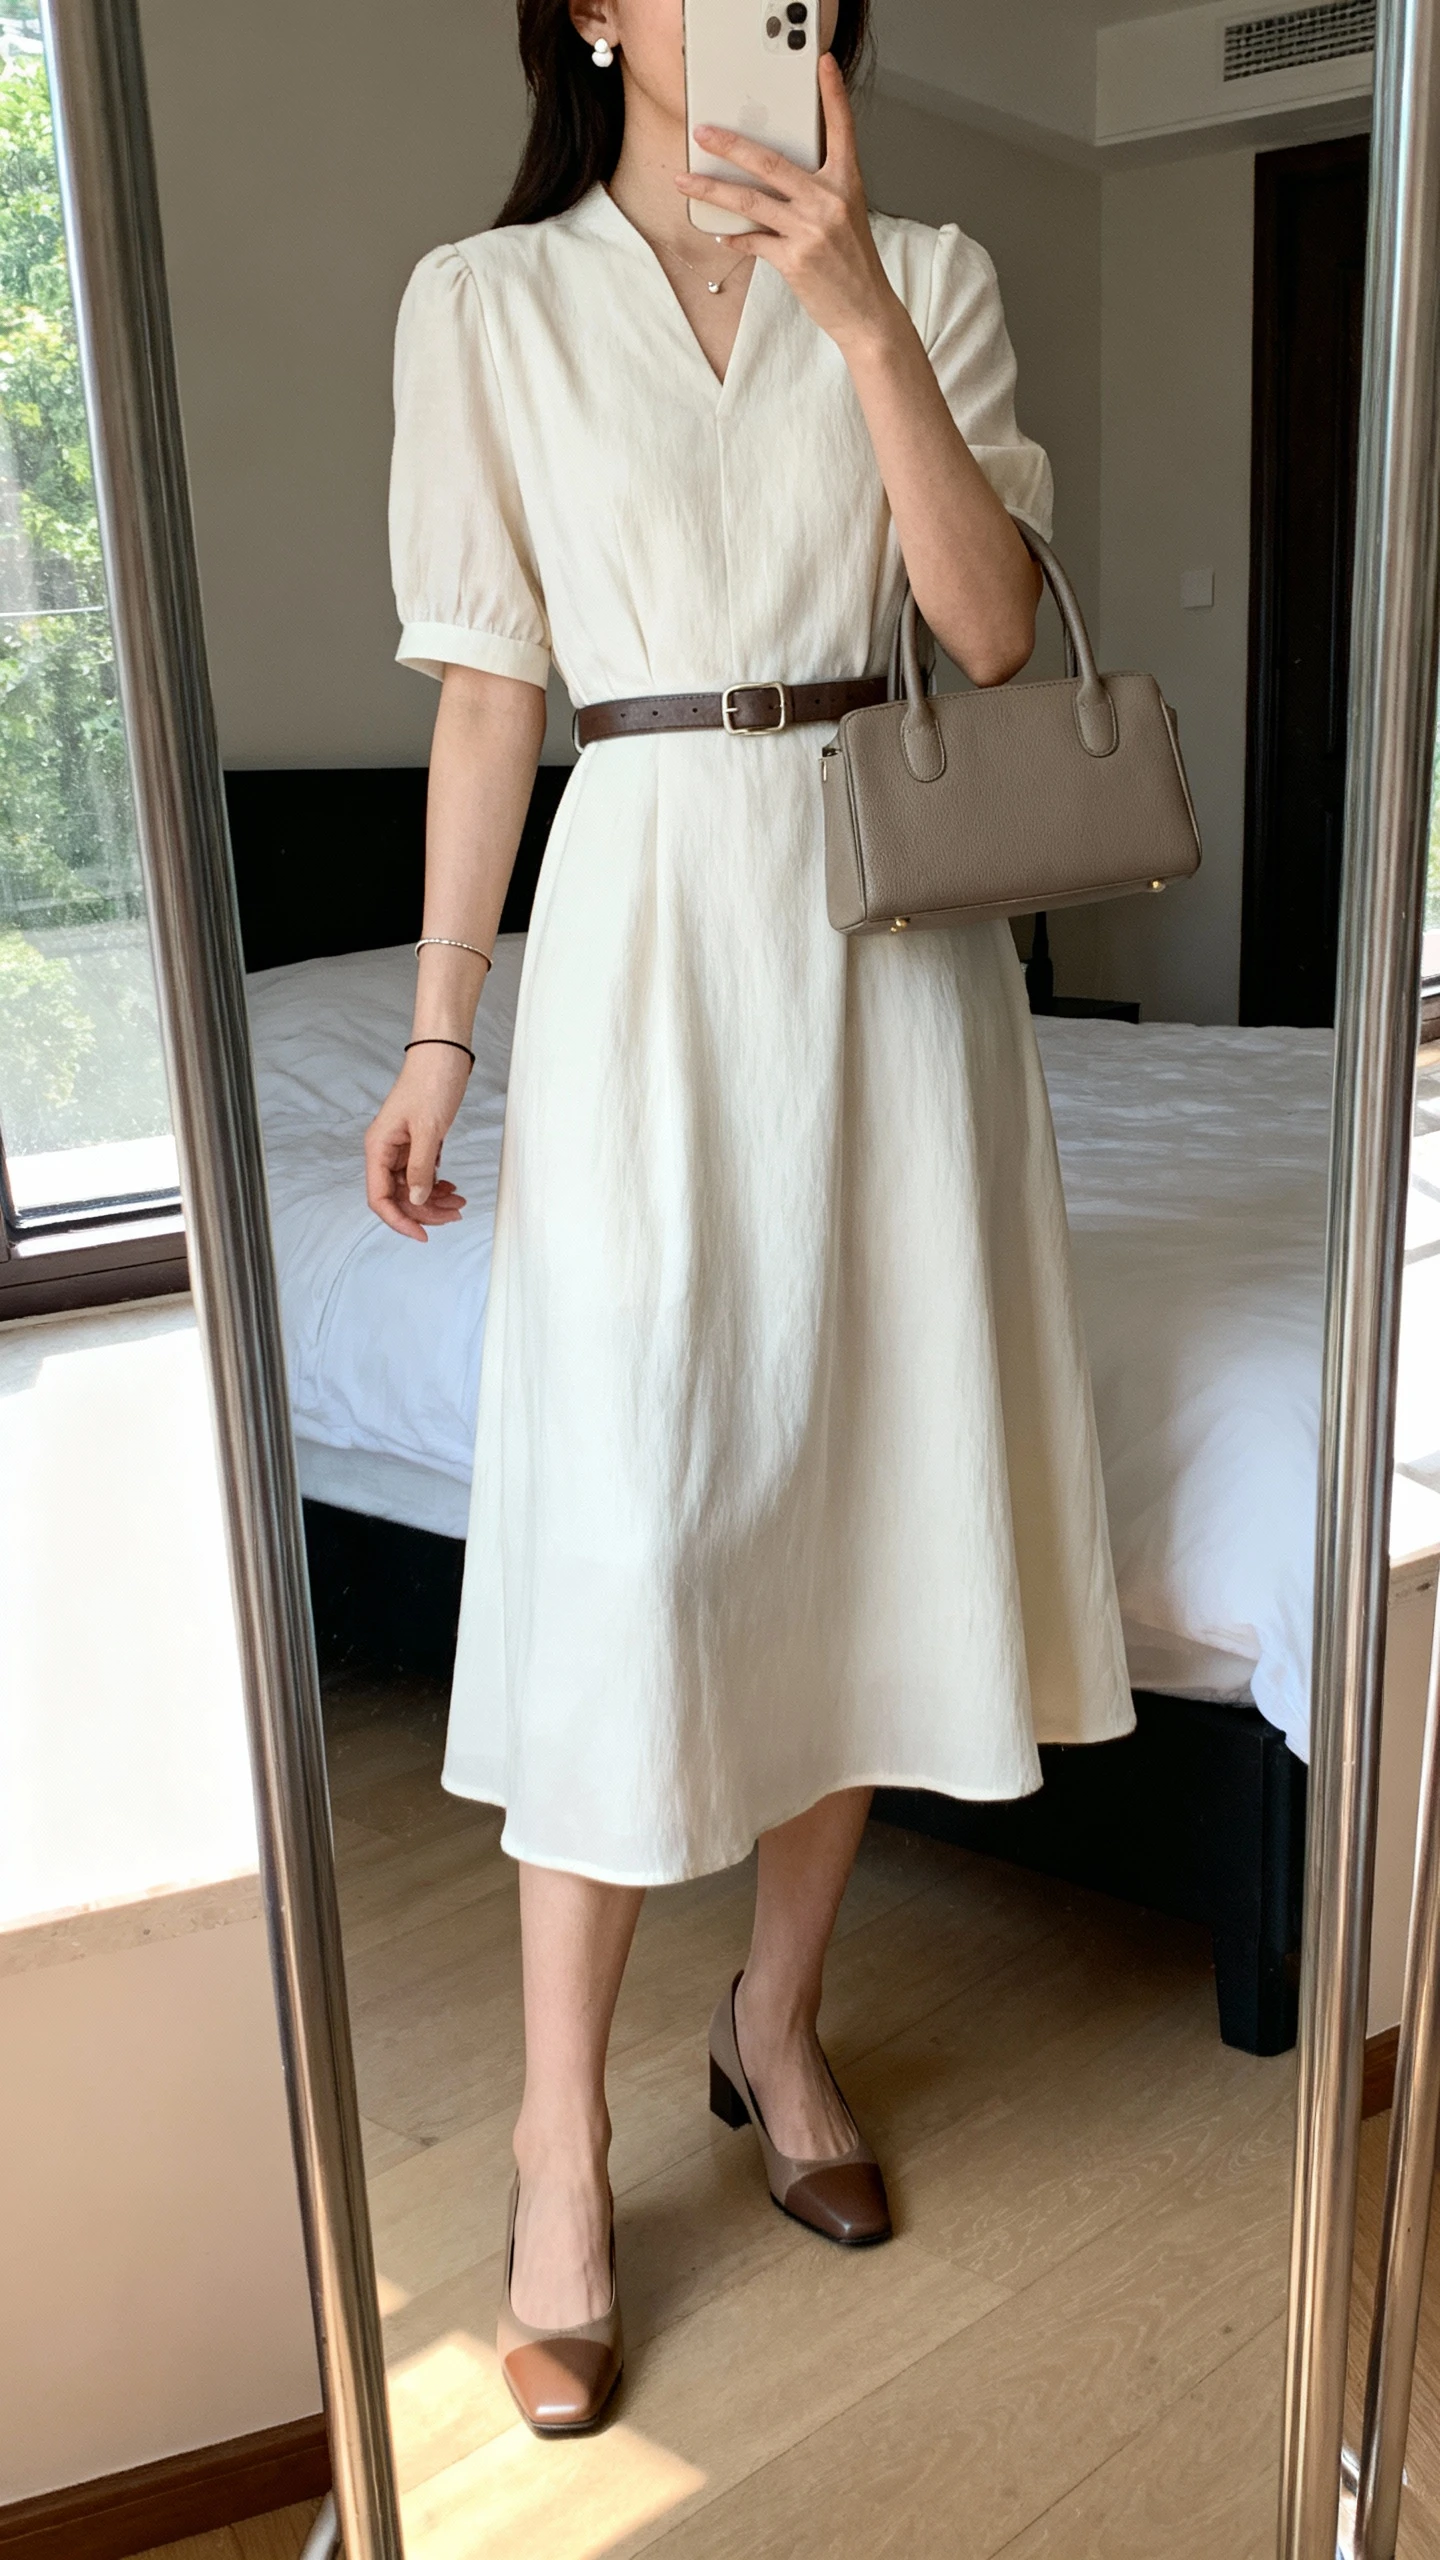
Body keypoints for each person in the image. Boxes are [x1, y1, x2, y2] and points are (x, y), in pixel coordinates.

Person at [368, 0, 1132, 2437]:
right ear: (596, 4)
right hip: (643, 934)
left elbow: (993, 630)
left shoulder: (930, 266)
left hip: (888, 950)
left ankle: (774, 2018)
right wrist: (435, 1027)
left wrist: (861, 314)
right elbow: (494, 696)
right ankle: (554, 2152)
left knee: (853, 1492)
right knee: (631, 1525)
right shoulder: (481, 307)